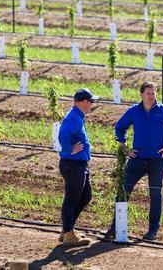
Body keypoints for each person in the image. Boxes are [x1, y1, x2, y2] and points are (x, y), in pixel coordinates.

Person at [106, 81, 163, 240]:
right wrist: (125, 147)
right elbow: (120, 127)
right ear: (141, 94)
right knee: (123, 190)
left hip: (157, 160)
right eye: (148, 93)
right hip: (137, 159)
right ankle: (115, 227)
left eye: (153, 93)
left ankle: (152, 231)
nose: (151, 96)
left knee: (155, 194)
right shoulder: (133, 111)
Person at [57, 88, 98, 247]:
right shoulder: (73, 118)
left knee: (85, 196)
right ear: (83, 102)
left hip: (80, 164)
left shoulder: (78, 116)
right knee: (72, 199)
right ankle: (68, 234)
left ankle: (67, 230)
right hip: (73, 164)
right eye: (91, 101)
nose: (92, 104)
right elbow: (62, 134)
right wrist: (69, 149)